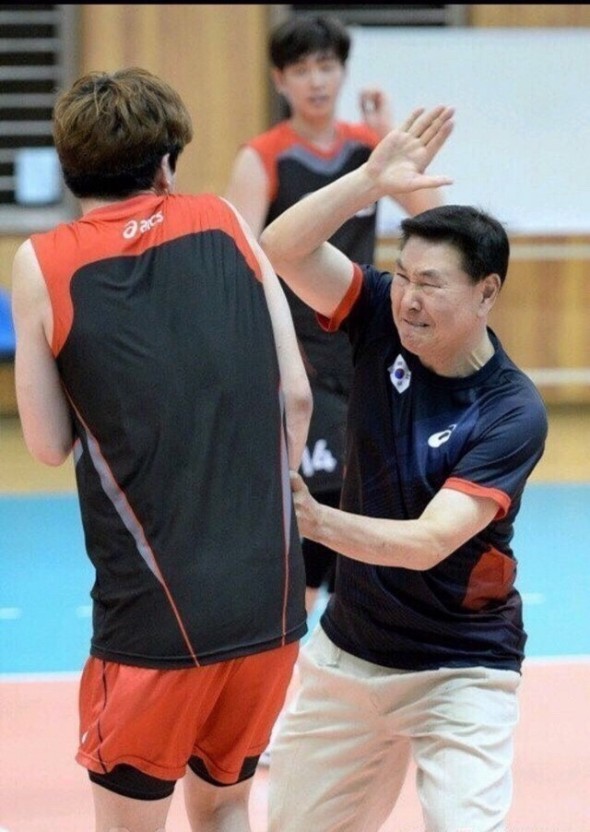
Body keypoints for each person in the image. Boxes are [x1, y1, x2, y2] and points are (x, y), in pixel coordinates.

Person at [11, 67, 312, 832]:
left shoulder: (42, 261)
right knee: (227, 807)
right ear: (167, 164)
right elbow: (297, 398)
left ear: (70, 167)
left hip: (153, 618)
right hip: (269, 594)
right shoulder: (227, 221)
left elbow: (46, 443)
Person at [260, 105, 549, 832]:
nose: (410, 299)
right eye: (403, 274)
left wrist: (314, 521)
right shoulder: (381, 313)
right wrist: (368, 181)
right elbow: (282, 247)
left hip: (461, 668)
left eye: (432, 283)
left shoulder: (511, 411)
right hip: (351, 652)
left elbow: (427, 543)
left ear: (487, 292)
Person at [225, 13, 444, 617]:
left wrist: (388, 136)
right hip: (298, 353)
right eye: (301, 70)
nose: (316, 81)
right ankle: (287, 638)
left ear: (344, 72)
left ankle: (357, 639)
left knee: (370, 498)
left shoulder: (367, 148)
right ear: (280, 80)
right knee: (311, 510)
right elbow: (241, 264)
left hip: (365, 345)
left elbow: (437, 220)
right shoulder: (263, 157)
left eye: (327, 66)